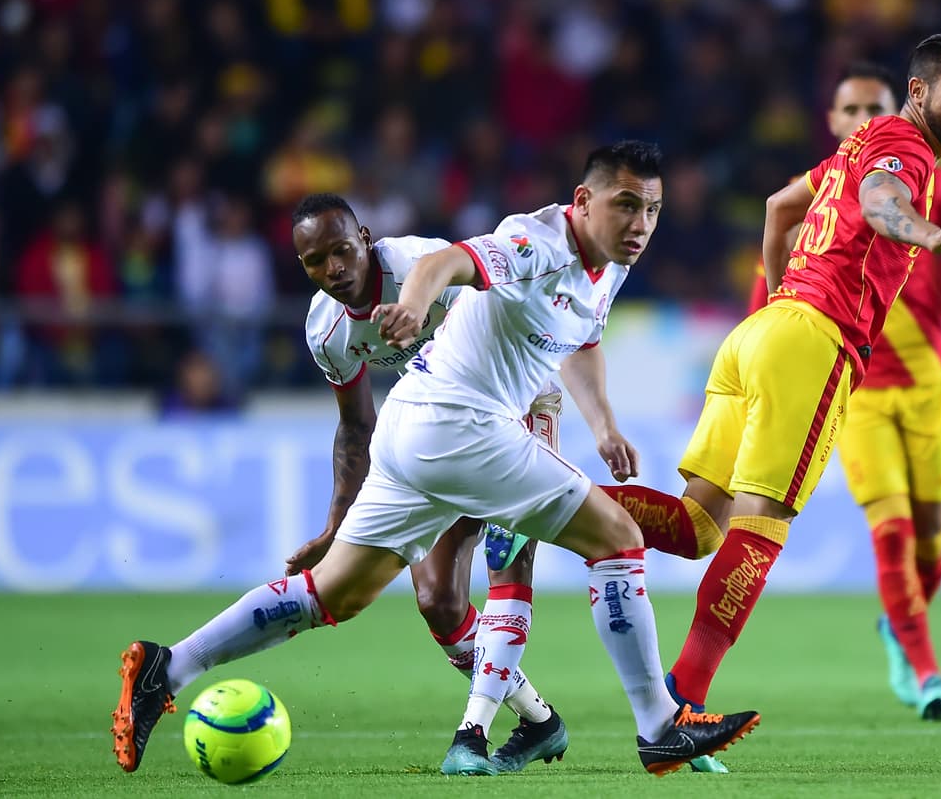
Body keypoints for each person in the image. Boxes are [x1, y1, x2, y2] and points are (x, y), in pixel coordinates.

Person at [111, 141, 759, 778]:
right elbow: (447, 261)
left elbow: (583, 339)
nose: (641, 225)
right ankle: (659, 724)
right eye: (626, 206)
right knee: (617, 538)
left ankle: (171, 665)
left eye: (652, 209)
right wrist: (415, 304)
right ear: (583, 201)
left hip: (415, 432)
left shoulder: (611, 261)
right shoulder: (540, 241)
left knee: (333, 592)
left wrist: (604, 422)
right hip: (463, 426)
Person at [597, 35, 941, 723]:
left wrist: (786, 299)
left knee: (696, 526)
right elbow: (880, 203)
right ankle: (682, 704)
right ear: (922, 91)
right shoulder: (906, 147)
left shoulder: (860, 140)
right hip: (813, 339)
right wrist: (926, 237)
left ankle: (540, 503)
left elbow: (780, 206)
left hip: (761, 332)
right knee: (761, 528)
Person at [115, 192, 567, 776]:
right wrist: (336, 522)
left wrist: (538, 439)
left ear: (367, 238)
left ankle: (484, 734)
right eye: (314, 261)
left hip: (508, 413)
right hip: (427, 435)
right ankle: (539, 722)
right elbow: (356, 429)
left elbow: (523, 325)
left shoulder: (422, 265)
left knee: (501, 563)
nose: (333, 269)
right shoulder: (327, 330)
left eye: (342, 250)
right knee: (425, 601)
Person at [749, 62, 941, 717]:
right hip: (858, 395)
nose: (864, 119)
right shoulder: (820, 192)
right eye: (850, 110)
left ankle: (899, 623)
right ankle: (927, 674)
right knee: (889, 534)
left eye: (876, 107)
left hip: (928, 390)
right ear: (832, 123)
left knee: (932, 551)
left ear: (902, 110)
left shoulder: (929, 181)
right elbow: (765, 304)